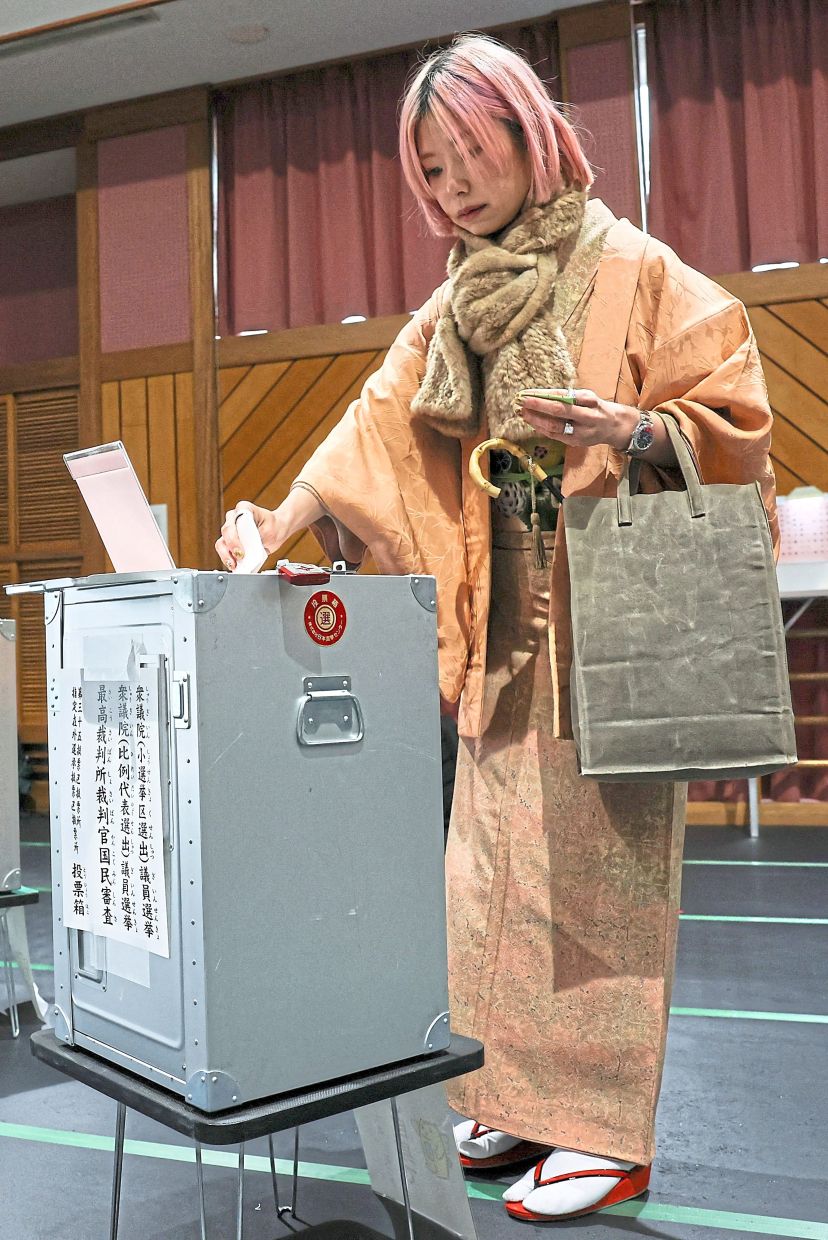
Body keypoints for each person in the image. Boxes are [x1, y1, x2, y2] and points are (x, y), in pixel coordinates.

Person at [216, 34, 776, 1223]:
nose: (455, 185)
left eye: (471, 153)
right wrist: (282, 517)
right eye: (432, 167)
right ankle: (516, 1097)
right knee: (489, 880)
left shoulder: (633, 266)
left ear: (531, 133)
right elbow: (373, 424)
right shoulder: (460, 296)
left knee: (602, 883)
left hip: (611, 617)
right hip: (498, 617)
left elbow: (731, 402)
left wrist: (633, 432)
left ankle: (603, 1128)